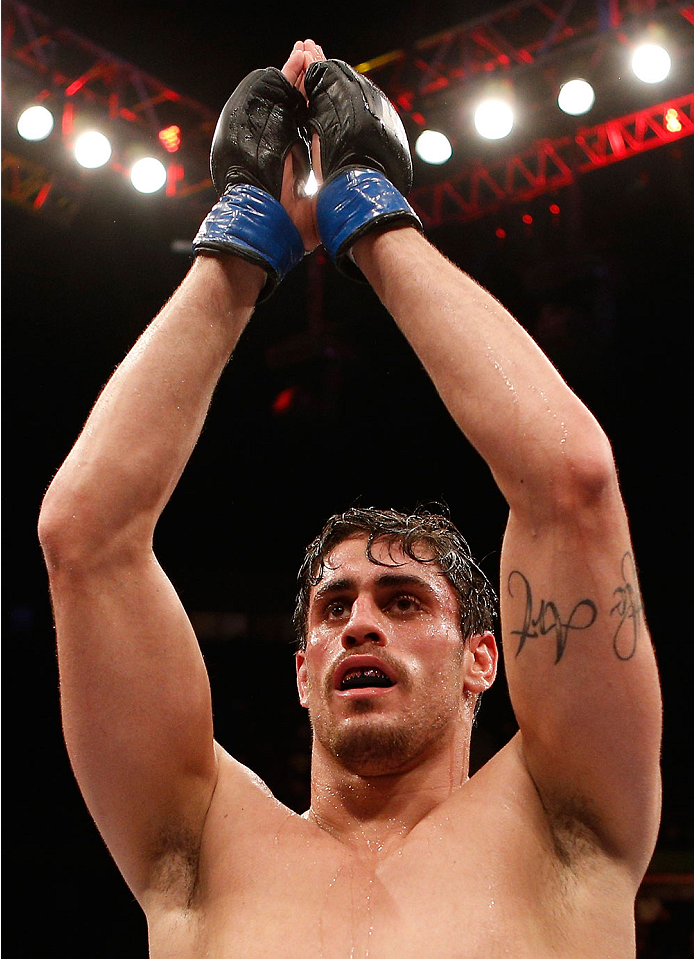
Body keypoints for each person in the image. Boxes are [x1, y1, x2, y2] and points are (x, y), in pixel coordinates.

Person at [38, 38, 662, 957]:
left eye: (403, 601)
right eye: (333, 609)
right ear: (300, 671)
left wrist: (369, 214)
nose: (359, 625)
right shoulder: (201, 848)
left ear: (484, 656)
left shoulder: (567, 822)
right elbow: (82, 534)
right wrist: (246, 233)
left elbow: (569, 479)